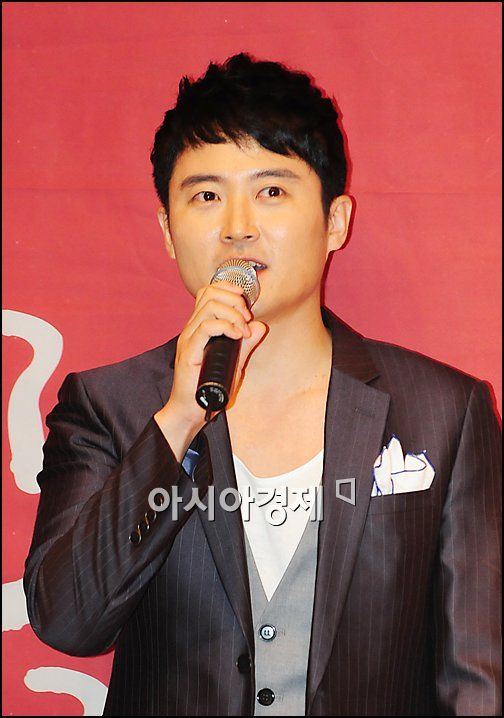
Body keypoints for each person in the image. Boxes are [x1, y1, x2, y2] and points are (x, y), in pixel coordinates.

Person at [24, 53, 501, 716]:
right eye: (206, 196)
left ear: (335, 221)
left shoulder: (445, 412)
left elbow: (476, 676)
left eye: (272, 191)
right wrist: (177, 421)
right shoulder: (107, 407)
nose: (238, 226)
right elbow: (68, 622)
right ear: (167, 231)